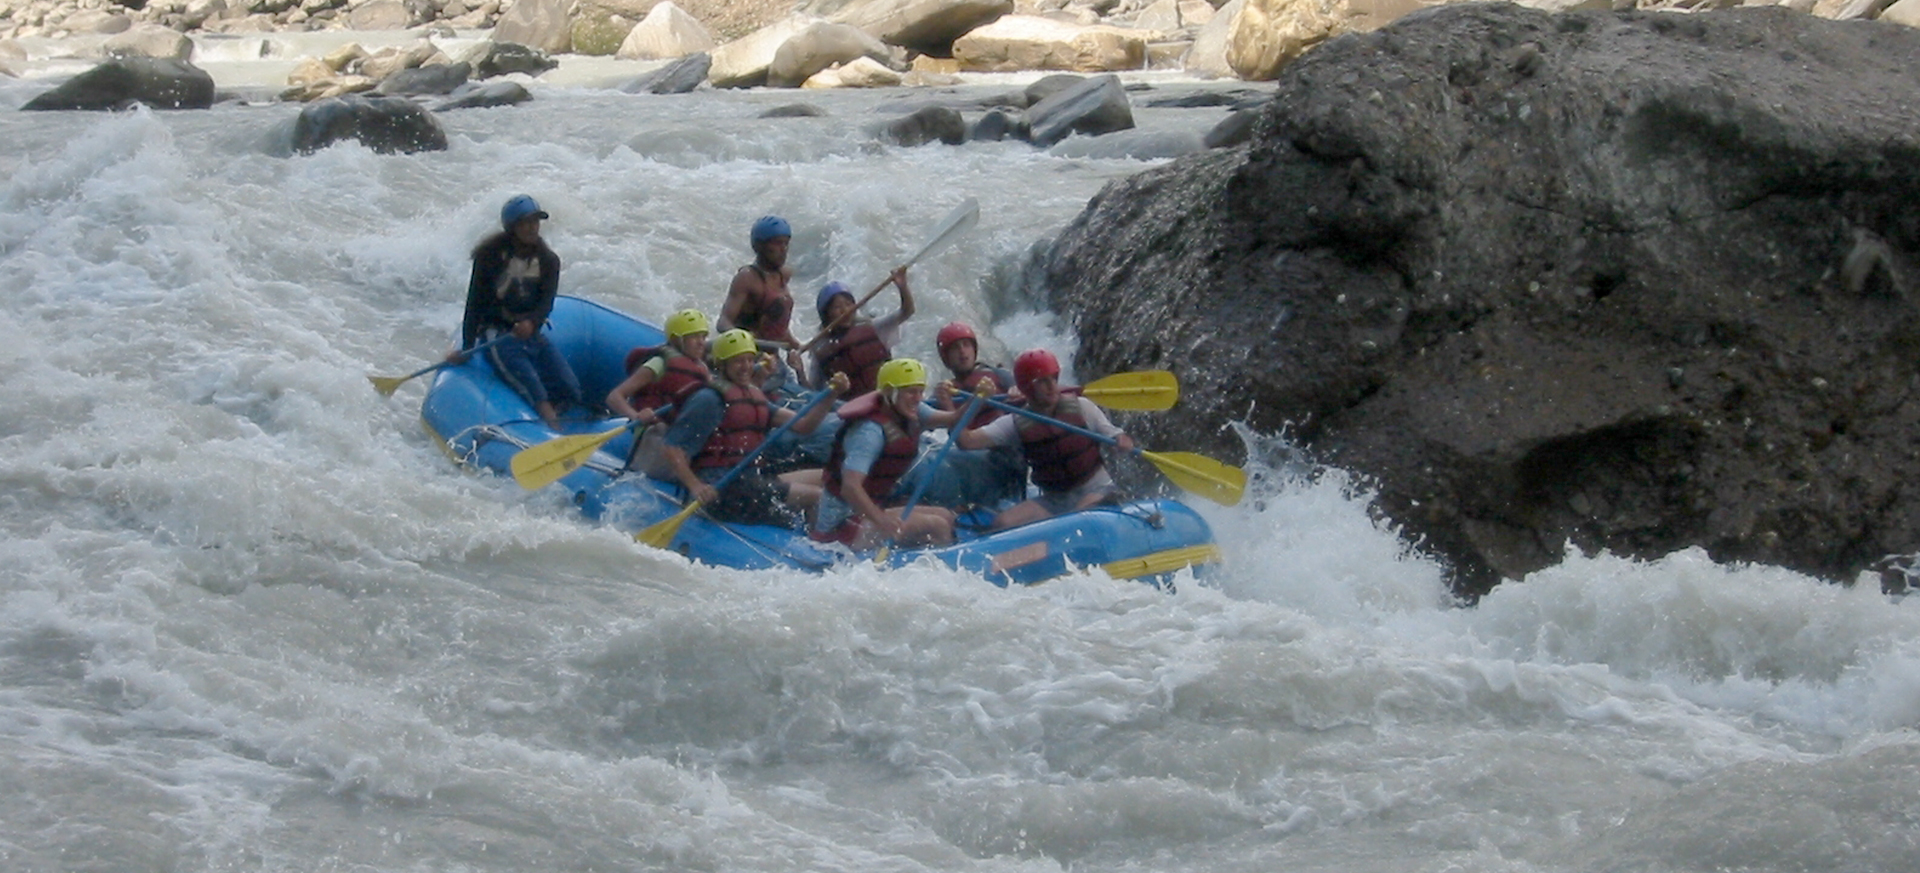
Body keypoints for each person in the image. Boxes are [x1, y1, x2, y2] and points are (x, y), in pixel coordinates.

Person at [656, 328, 847, 526]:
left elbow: (804, 425)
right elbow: (671, 447)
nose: (746, 366)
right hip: (721, 489)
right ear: (722, 364)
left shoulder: (752, 396)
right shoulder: (709, 399)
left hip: (748, 479)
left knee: (826, 478)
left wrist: (831, 395)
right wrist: (695, 486)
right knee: (817, 496)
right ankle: (816, 546)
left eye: (749, 360)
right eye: (738, 361)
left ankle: (827, 532)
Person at [954, 348, 1135, 530]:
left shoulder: (1082, 407)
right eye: (1043, 381)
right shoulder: (1015, 422)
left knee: (1078, 518)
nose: (1052, 386)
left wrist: (1121, 440)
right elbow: (966, 441)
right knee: (1003, 523)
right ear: (1027, 387)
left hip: (1096, 490)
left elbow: (1115, 435)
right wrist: (973, 402)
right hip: (1054, 500)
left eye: (1054, 378)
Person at [450, 194, 582, 430]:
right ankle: (550, 423)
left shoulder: (548, 260)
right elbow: (475, 301)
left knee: (571, 387)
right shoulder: (489, 257)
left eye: (535, 222)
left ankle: (552, 422)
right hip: (498, 333)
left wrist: (533, 323)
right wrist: (468, 347)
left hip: (531, 334)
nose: (533, 228)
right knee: (534, 387)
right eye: (526, 223)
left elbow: (545, 303)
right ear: (513, 227)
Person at [811, 358, 957, 549]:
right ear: (889, 392)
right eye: (911, 391)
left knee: (945, 515)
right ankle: (944, 566)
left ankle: (928, 553)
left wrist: (978, 399)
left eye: (921, 391)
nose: (918, 398)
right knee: (938, 526)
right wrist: (881, 521)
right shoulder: (869, 432)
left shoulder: (908, 409)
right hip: (839, 528)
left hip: (865, 515)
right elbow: (850, 487)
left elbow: (954, 419)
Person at [607, 308, 712, 477]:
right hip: (654, 434)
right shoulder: (659, 363)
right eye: (694, 337)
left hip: (681, 437)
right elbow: (614, 397)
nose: (701, 342)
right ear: (676, 340)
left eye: (703, 336)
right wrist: (636, 416)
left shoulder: (702, 369)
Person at [719, 215, 805, 376]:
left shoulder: (784, 275)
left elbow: (774, 320)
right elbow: (723, 322)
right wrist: (743, 340)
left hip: (773, 358)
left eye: (786, 243)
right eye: (777, 243)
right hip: (749, 360)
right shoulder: (747, 278)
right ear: (759, 245)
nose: (783, 249)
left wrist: (794, 344)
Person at [809, 267, 914, 396]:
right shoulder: (820, 347)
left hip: (887, 400)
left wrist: (903, 287)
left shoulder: (873, 327)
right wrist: (799, 371)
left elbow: (907, 311)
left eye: (848, 304)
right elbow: (812, 390)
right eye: (837, 307)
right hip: (852, 408)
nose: (845, 310)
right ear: (826, 315)